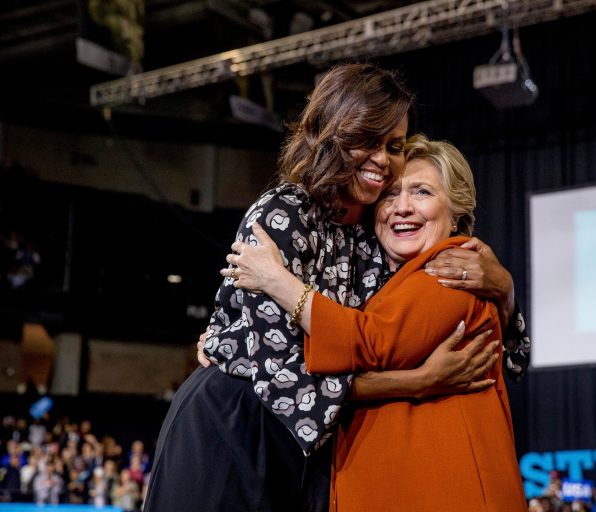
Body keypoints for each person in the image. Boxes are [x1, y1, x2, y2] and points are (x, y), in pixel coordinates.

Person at [145, 63, 520, 512]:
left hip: (317, 450)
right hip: (234, 427)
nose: (383, 160)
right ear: (331, 134)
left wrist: (504, 288)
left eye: (394, 146)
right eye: (368, 139)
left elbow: (493, 355)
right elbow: (286, 377)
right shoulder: (282, 215)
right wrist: (419, 381)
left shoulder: (375, 234)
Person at [226, 135, 528, 511]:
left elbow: (369, 342)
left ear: (457, 213)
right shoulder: (381, 280)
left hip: (449, 489)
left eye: (421, 192)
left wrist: (276, 281)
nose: (401, 208)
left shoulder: (451, 270)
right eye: (389, 195)